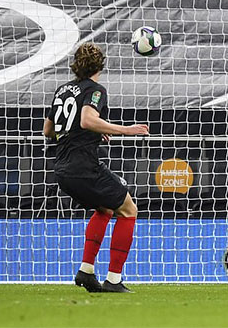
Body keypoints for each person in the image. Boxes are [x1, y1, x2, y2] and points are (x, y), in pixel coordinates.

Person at [43, 42, 149, 293]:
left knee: (105, 208)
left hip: (63, 169)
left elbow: (48, 130)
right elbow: (87, 119)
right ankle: (114, 280)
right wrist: (126, 129)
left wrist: (86, 134)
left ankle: (86, 271)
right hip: (84, 167)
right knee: (128, 208)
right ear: (100, 65)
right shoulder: (96, 90)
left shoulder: (62, 90)